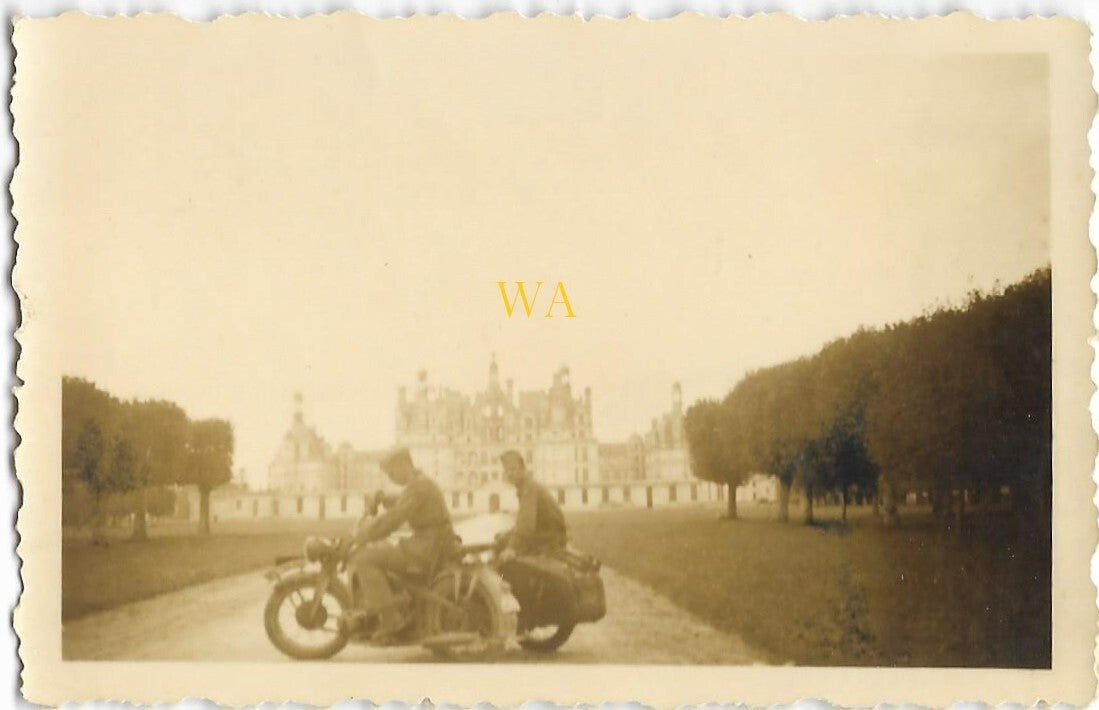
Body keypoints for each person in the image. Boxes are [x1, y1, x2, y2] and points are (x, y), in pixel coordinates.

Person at [347, 446, 456, 640]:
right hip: (429, 543)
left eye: (391, 472)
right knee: (380, 550)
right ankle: (391, 608)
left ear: (404, 465)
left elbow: (395, 518)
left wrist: (364, 534)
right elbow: (404, 501)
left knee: (364, 558)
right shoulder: (420, 483)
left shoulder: (419, 486)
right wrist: (382, 499)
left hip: (425, 548)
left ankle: (391, 620)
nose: (390, 477)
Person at [496, 450, 567, 562]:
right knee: (502, 539)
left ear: (523, 469)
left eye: (513, 469)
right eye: (506, 470)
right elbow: (524, 522)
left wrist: (511, 548)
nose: (509, 474)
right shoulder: (525, 486)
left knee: (504, 553)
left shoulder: (529, 488)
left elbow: (526, 524)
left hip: (550, 537)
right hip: (547, 534)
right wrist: (509, 534)